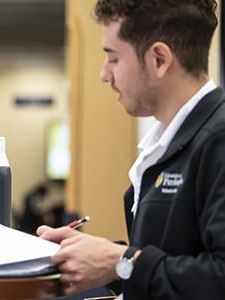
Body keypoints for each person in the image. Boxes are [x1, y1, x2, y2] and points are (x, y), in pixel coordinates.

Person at [36, 0, 225, 299]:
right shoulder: (165, 145)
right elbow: (171, 267)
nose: (104, 74)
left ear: (159, 59)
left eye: (113, 58)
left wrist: (120, 262)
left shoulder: (217, 139)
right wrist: (104, 261)